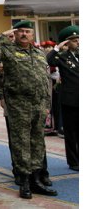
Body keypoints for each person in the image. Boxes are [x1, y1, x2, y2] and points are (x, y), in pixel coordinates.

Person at [0, 20, 57, 199]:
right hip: (19, 105)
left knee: (37, 144)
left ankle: (36, 180)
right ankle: (24, 182)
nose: (24, 34)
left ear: (33, 35)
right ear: (15, 34)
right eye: (21, 32)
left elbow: (45, 80)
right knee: (21, 144)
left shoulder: (40, 53)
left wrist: (47, 105)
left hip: (39, 106)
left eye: (28, 31)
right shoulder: (8, 50)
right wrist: (3, 34)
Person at [48, 25, 79, 171]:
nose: (78, 42)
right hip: (70, 100)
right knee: (71, 132)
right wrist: (57, 48)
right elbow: (49, 60)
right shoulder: (62, 57)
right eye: (74, 40)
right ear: (67, 43)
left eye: (79, 39)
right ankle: (74, 161)